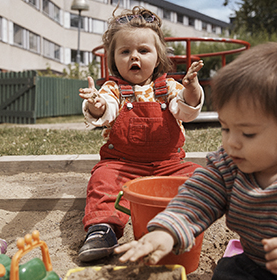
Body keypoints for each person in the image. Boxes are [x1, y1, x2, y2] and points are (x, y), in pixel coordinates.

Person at [113, 42, 277, 279]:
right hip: (264, 263)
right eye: (226, 128)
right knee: (228, 272)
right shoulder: (230, 162)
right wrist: (167, 232)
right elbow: (197, 198)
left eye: (248, 132)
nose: (232, 142)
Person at [78, 6, 204, 262]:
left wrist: (191, 89)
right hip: (122, 164)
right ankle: (102, 230)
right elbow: (105, 109)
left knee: (198, 176)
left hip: (168, 165)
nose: (134, 57)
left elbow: (185, 110)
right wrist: (96, 104)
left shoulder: (168, 86)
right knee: (102, 179)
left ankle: (182, 222)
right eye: (125, 52)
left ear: (158, 58)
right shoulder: (114, 89)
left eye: (143, 51)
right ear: (113, 59)